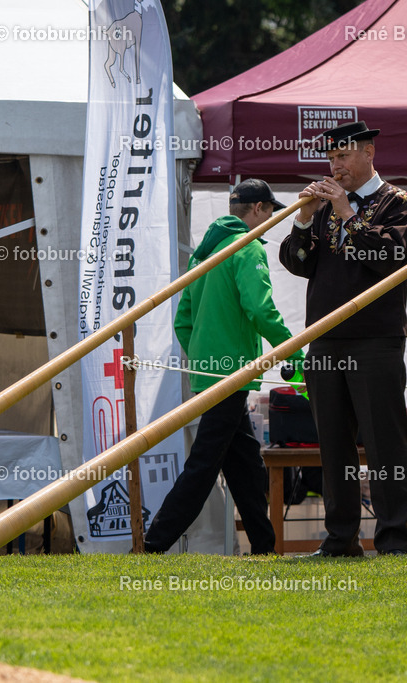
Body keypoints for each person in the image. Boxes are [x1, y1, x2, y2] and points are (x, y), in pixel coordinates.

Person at [279, 121, 407, 557]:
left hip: (374, 340)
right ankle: (341, 539)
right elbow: (297, 263)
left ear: (368, 153)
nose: (335, 165)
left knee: (384, 443)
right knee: (334, 444)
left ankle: (394, 539)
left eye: (343, 156)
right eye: (331, 157)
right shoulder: (322, 205)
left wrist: (346, 212)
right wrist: (303, 220)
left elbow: (392, 257)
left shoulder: (397, 202)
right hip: (324, 338)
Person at [143, 179, 303, 555]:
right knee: (202, 467)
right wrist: (296, 355)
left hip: (209, 373)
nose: (271, 220)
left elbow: (183, 320)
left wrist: (203, 356)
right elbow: (261, 309)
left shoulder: (203, 254)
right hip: (233, 374)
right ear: (260, 210)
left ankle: (264, 547)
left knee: (246, 466)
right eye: (271, 212)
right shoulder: (248, 249)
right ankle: (153, 544)